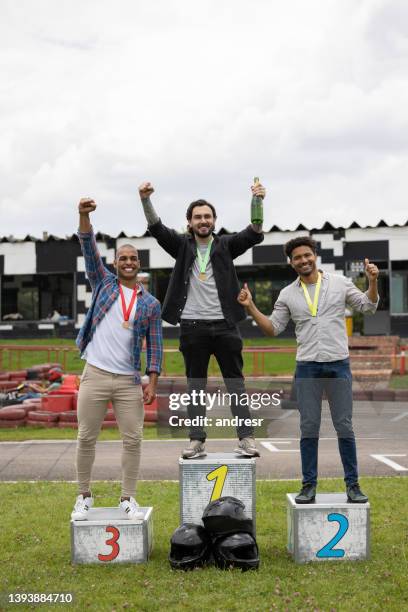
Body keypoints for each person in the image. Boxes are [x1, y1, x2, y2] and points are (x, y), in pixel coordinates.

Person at [238, 236, 379, 503]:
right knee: (309, 428)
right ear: (291, 263)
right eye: (297, 258)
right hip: (307, 368)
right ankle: (308, 486)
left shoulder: (340, 283)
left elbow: (367, 306)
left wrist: (372, 281)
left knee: (344, 427)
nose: (303, 260)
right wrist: (251, 307)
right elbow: (272, 328)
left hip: (338, 364)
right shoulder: (287, 294)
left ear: (315, 255)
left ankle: (353, 485)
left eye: (307, 255)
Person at [139, 181, 265, 458]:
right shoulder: (182, 247)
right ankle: (196, 440)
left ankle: (246, 438)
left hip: (226, 326)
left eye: (207, 216)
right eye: (198, 217)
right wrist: (145, 199)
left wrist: (257, 202)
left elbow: (254, 233)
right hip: (192, 327)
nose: (203, 220)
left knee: (236, 383)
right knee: (195, 385)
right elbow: (157, 229)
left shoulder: (226, 245)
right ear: (189, 222)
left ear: (214, 220)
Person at [71, 197, 163, 520]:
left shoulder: (150, 304)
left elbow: (155, 345)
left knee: (133, 439)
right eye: (122, 258)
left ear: (139, 264)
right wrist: (84, 217)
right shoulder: (102, 284)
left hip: (128, 381)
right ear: (114, 264)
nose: (127, 262)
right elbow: (88, 249)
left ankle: (128, 498)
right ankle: (84, 495)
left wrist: (151, 382)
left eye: (133, 258)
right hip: (94, 374)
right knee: (86, 437)